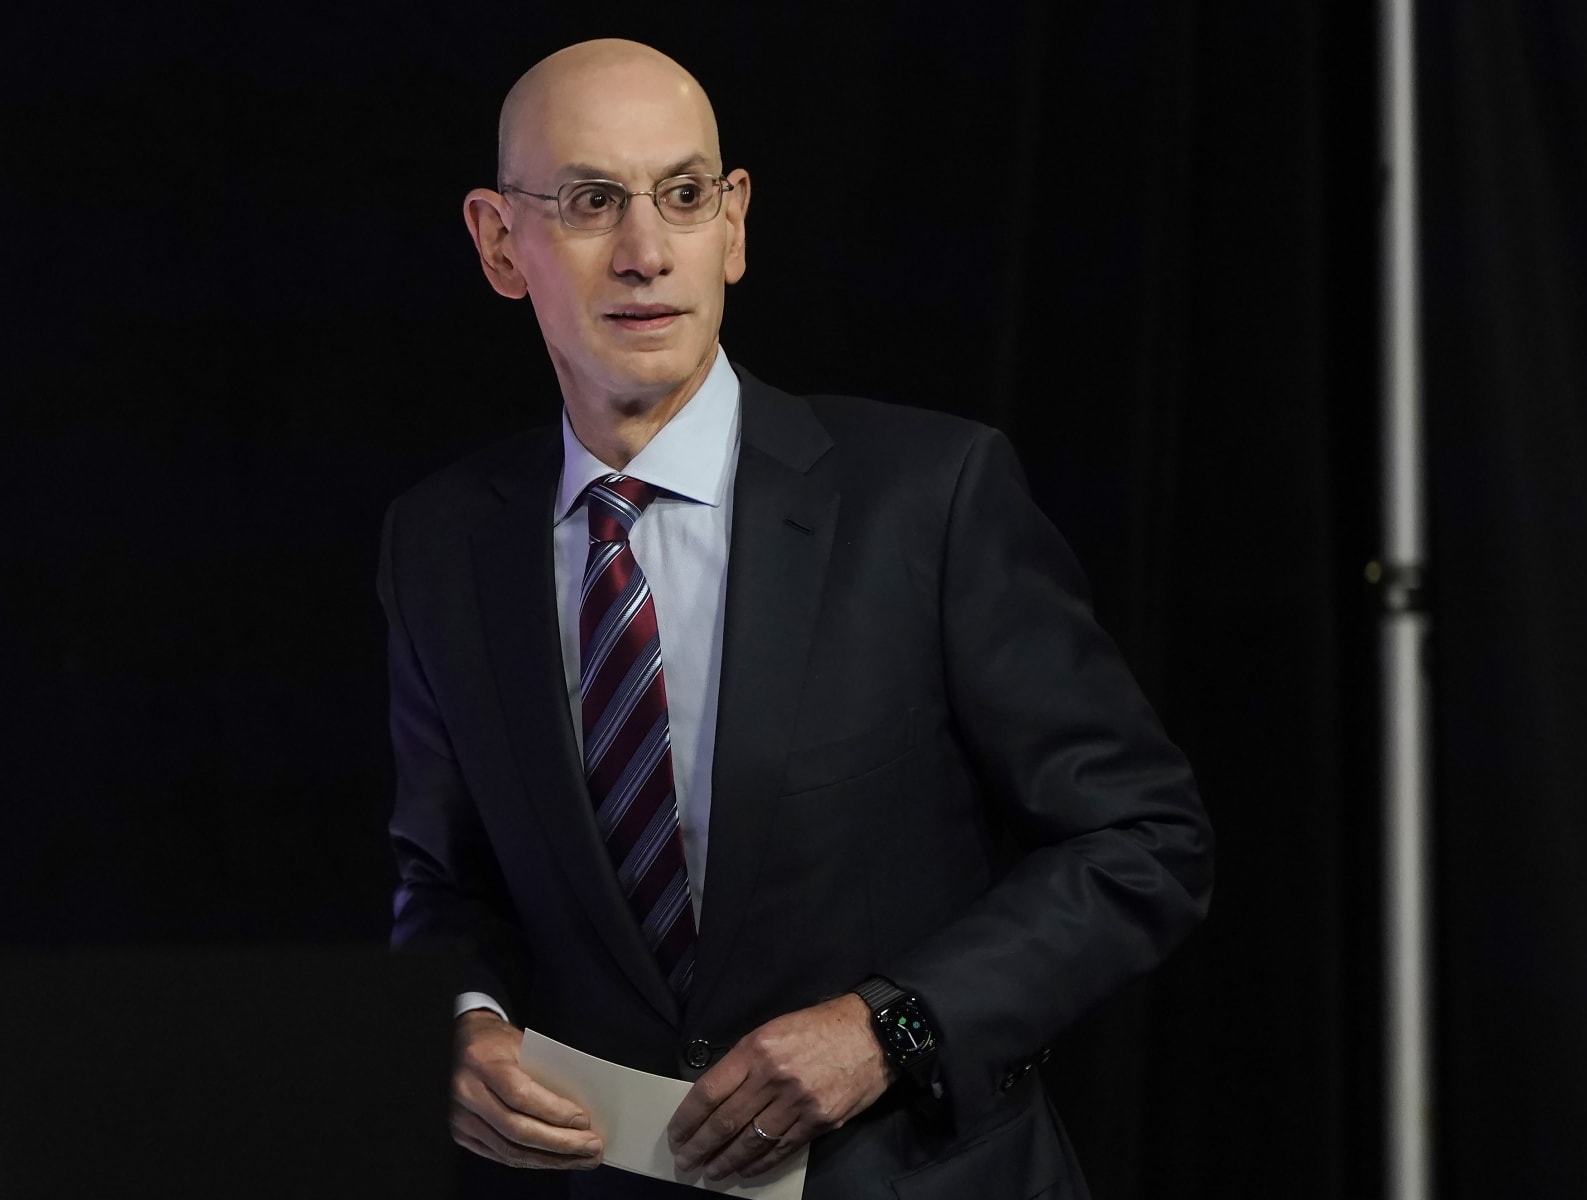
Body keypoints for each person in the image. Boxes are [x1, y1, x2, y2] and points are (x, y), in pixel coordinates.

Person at [380, 38, 1213, 1199]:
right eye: (588, 202)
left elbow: (1142, 841)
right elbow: (444, 881)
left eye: (681, 196)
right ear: (497, 242)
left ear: (734, 224)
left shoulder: (927, 497)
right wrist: (459, 1029)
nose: (642, 252)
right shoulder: (442, 544)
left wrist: (891, 1031)